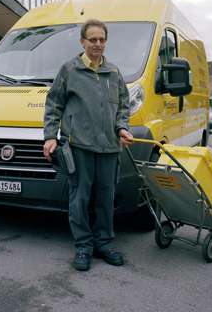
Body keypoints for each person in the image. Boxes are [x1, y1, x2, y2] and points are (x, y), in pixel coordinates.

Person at [43, 19, 134, 271]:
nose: (97, 44)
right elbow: (53, 104)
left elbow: (123, 107)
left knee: (106, 198)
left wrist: (122, 127)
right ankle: (84, 245)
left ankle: (104, 243)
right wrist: (50, 136)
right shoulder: (70, 70)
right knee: (80, 198)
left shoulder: (113, 72)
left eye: (101, 39)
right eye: (92, 39)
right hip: (79, 146)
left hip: (109, 148)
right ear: (82, 41)